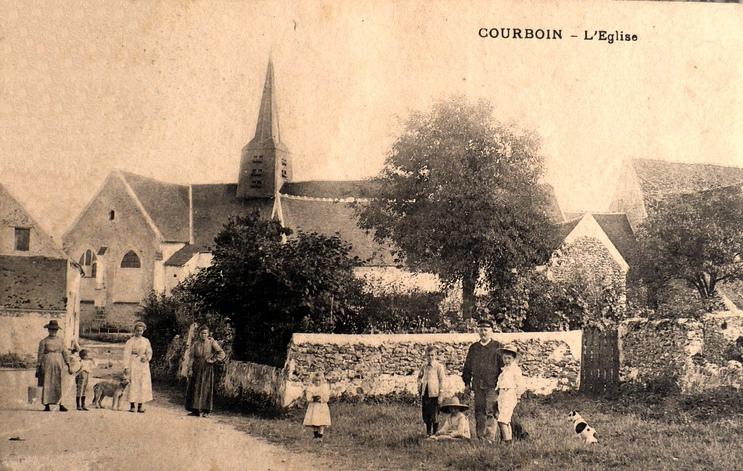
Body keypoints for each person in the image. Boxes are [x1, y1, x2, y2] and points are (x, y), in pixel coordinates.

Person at [461, 319, 503, 440]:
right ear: (478, 331)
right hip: (478, 385)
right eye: (481, 330)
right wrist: (467, 383)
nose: (483, 333)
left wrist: (501, 385)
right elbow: (467, 367)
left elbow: (503, 368)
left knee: (491, 411)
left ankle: (490, 438)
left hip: (493, 385)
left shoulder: (497, 347)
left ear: (491, 331)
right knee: (479, 411)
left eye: (486, 330)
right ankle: (481, 436)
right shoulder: (474, 348)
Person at [185, 325, 227, 418]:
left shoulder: (212, 342)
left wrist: (214, 360)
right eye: (202, 333)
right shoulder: (195, 344)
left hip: (207, 369)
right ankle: (195, 410)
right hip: (197, 368)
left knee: (206, 389)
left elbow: (222, 353)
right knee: (195, 388)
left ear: (208, 334)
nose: (203, 335)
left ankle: (206, 410)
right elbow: (191, 357)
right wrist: (190, 369)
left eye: (205, 333)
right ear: (199, 334)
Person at [36, 320, 71, 412]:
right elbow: (40, 354)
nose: (53, 331)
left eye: (55, 330)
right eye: (51, 329)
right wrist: (38, 367)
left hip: (59, 362)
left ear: (57, 330)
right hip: (47, 362)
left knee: (59, 382)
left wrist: (68, 363)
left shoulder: (61, 341)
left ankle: (60, 404)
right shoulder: (44, 341)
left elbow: (65, 352)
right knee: (47, 382)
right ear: (48, 330)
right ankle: (46, 404)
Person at [496, 344, 525, 444]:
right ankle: (508, 440)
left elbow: (520, 383)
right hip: (502, 394)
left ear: (513, 359)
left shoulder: (515, 370)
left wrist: (518, 395)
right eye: (505, 358)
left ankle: (507, 442)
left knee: (502, 420)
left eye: (509, 358)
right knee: (506, 419)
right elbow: (500, 382)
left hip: (510, 394)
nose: (507, 360)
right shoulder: (504, 370)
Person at [123, 321, 153, 413]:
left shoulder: (146, 341)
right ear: (134, 330)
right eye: (137, 330)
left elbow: (149, 351)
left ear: (143, 331)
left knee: (142, 383)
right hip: (133, 362)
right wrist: (126, 366)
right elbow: (126, 354)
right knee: (133, 383)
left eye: (141, 331)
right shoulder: (130, 341)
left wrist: (147, 358)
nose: (139, 332)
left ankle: (140, 406)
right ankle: (132, 405)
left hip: (143, 364)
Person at [417, 345, 447, 436]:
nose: (430, 357)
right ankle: (428, 432)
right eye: (428, 355)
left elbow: (442, 380)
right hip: (425, 393)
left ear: (436, 355)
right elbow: (419, 377)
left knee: (434, 414)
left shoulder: (439, 367)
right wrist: (419, 386)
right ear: (426, 355)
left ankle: (435, 433)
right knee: (426, 413)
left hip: (435, 393)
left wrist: (441, 394)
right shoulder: (424, 366)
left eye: (432, 355)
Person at [303, 372, 331, 441]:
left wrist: (321, 399)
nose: (318, 382)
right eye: (316, 380)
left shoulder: (324, 388)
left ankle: (320, 436)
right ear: (313, 380)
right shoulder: (312, 388)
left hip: (322, 407)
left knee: (322, 421)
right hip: (314, 407)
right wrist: (313, 398)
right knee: (314, 421)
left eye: (319, 380)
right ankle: (315, 436)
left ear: (322, 380)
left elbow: (326, 397)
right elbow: (308, 397)